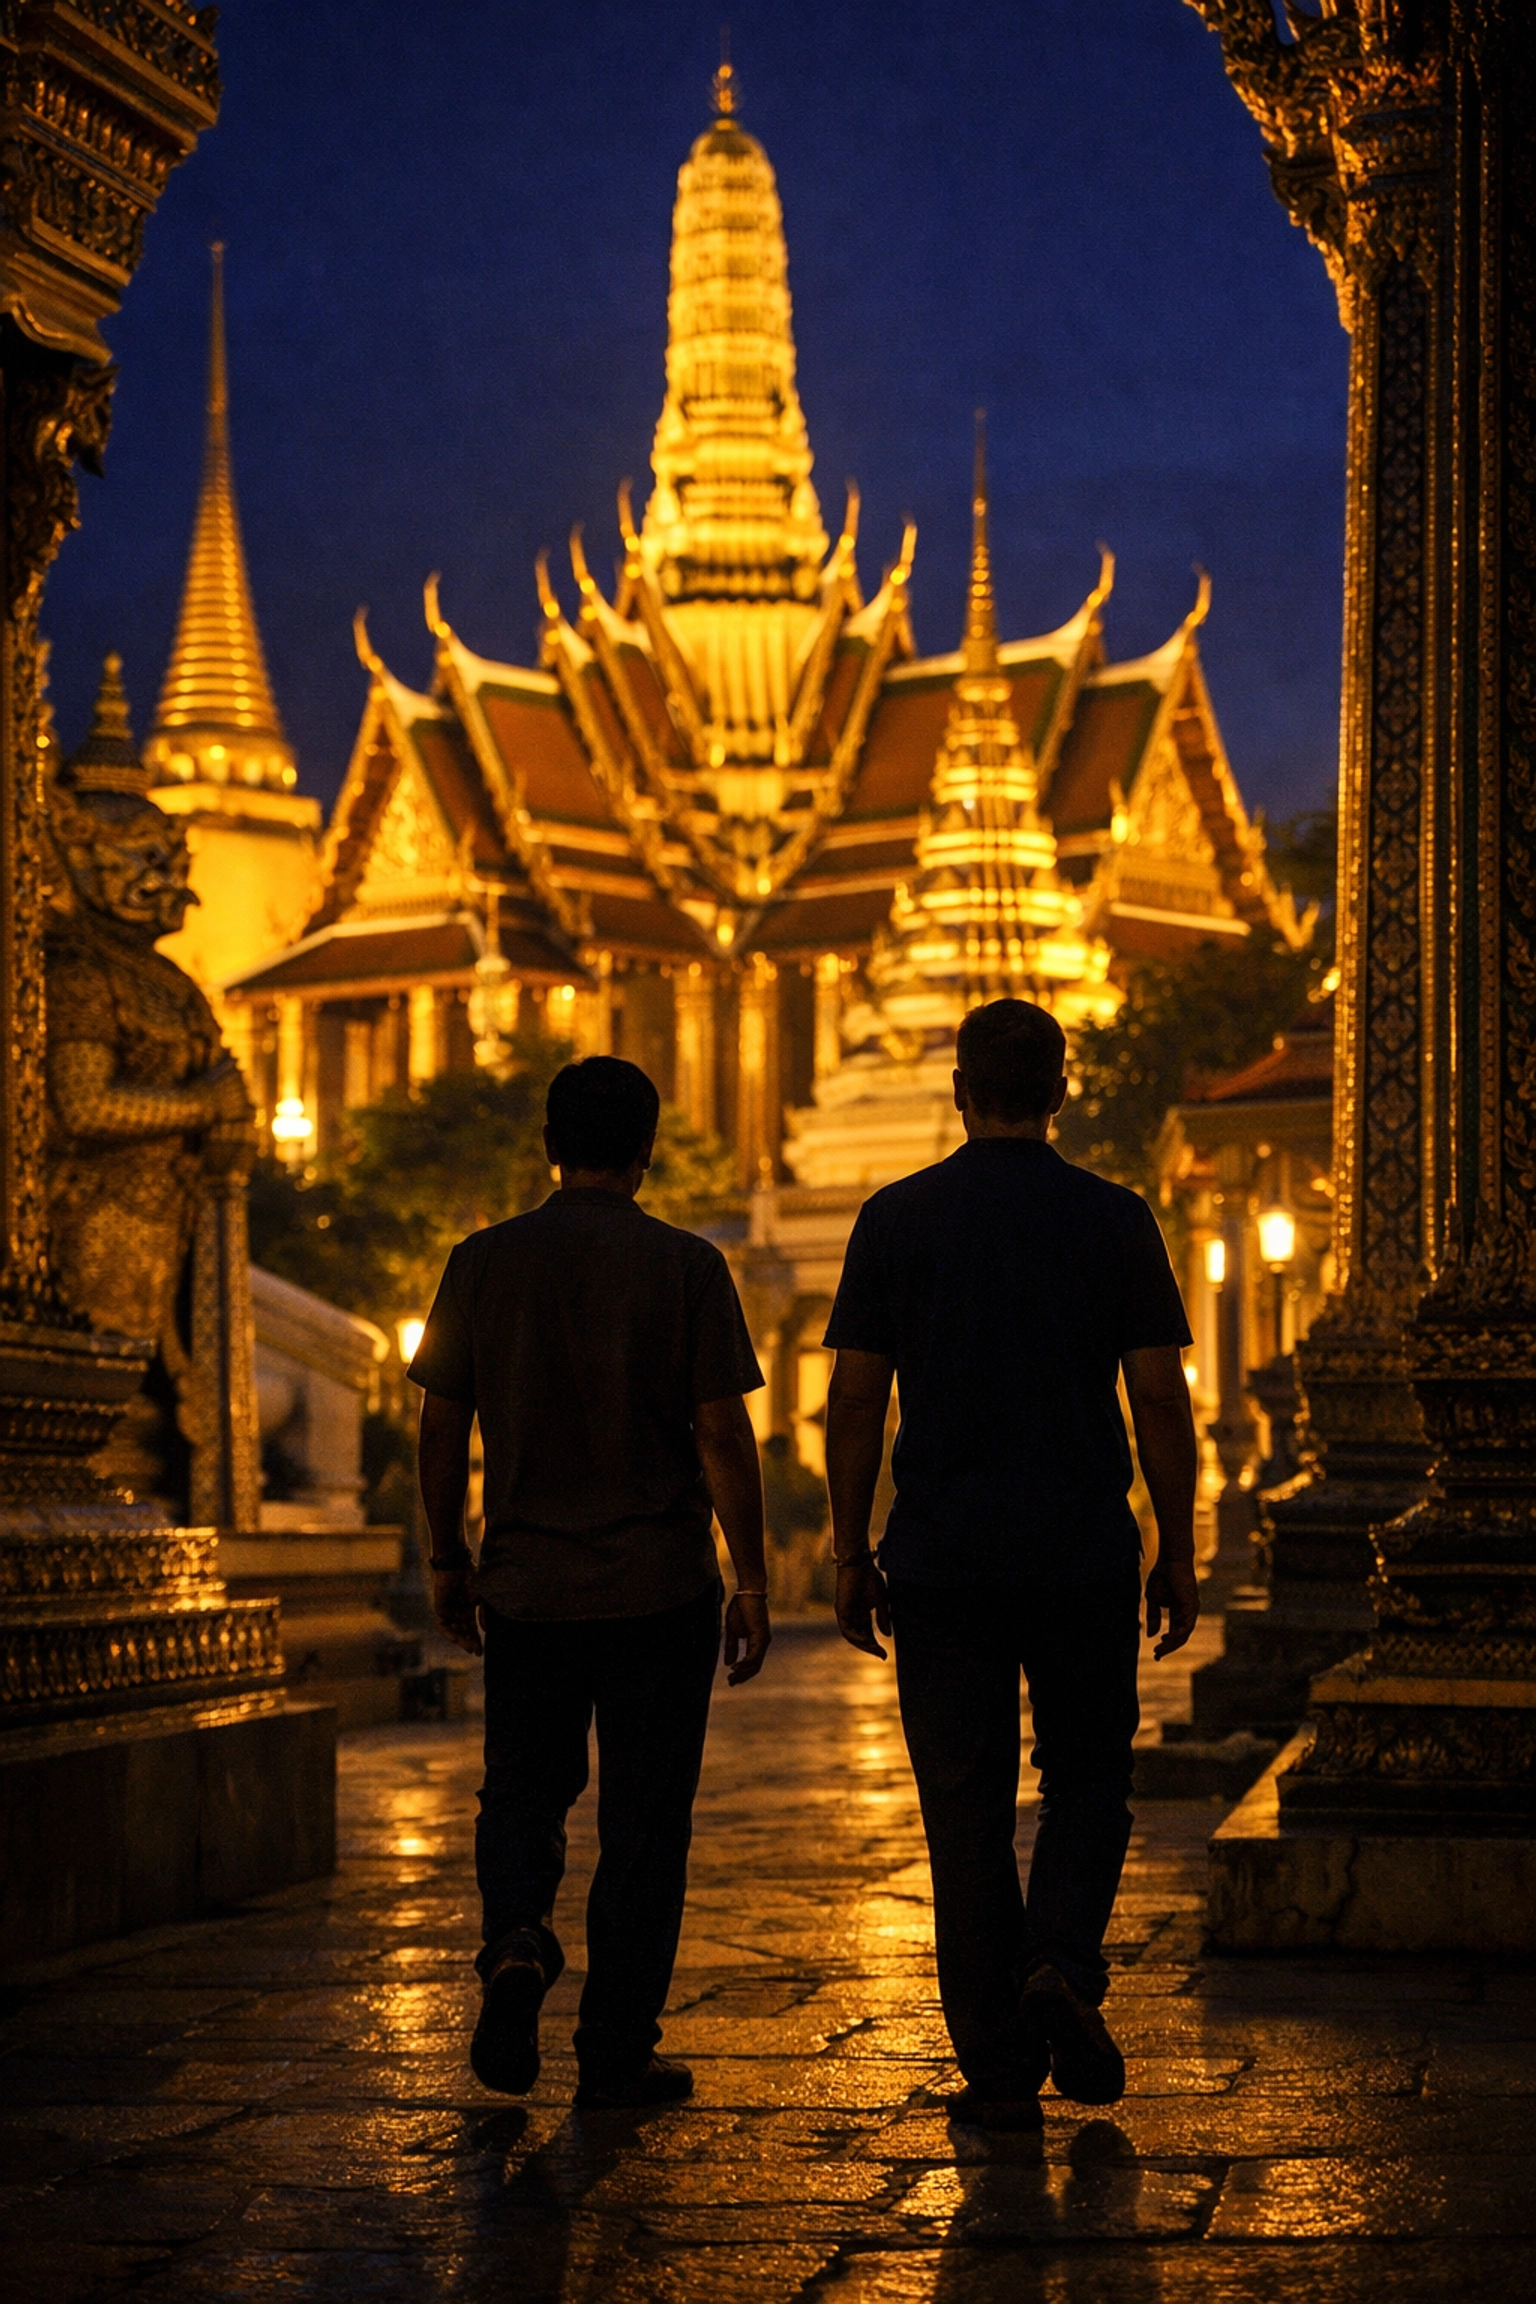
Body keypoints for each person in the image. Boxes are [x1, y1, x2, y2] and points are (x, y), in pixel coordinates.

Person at [823, 998, 1198, 2132]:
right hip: (1081, 1547)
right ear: (1061, 1093)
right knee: (1089, 1778)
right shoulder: (1115, 1217)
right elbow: (1158, 1398)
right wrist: (1177, 1547)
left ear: (957, 1089)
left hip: (941, 1556)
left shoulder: (897, 1218)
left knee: (965, 1806)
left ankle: (993, 2053)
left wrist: (850, 1548)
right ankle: (1061, 1967)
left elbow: (854, 1397)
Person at [408, 1055, 771, 2109]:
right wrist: (751, 1578)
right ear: (646, 1154)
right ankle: (615, 2045)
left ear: (550, 1148)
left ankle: (518, 1937)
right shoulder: (686, 1266)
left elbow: (441, 1421)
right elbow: (720, 1430)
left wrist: (446, 1555)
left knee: (522, 1791)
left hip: (526, 1584)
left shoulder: (482, 1263)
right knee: (645, 1822)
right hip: (659, 1586)